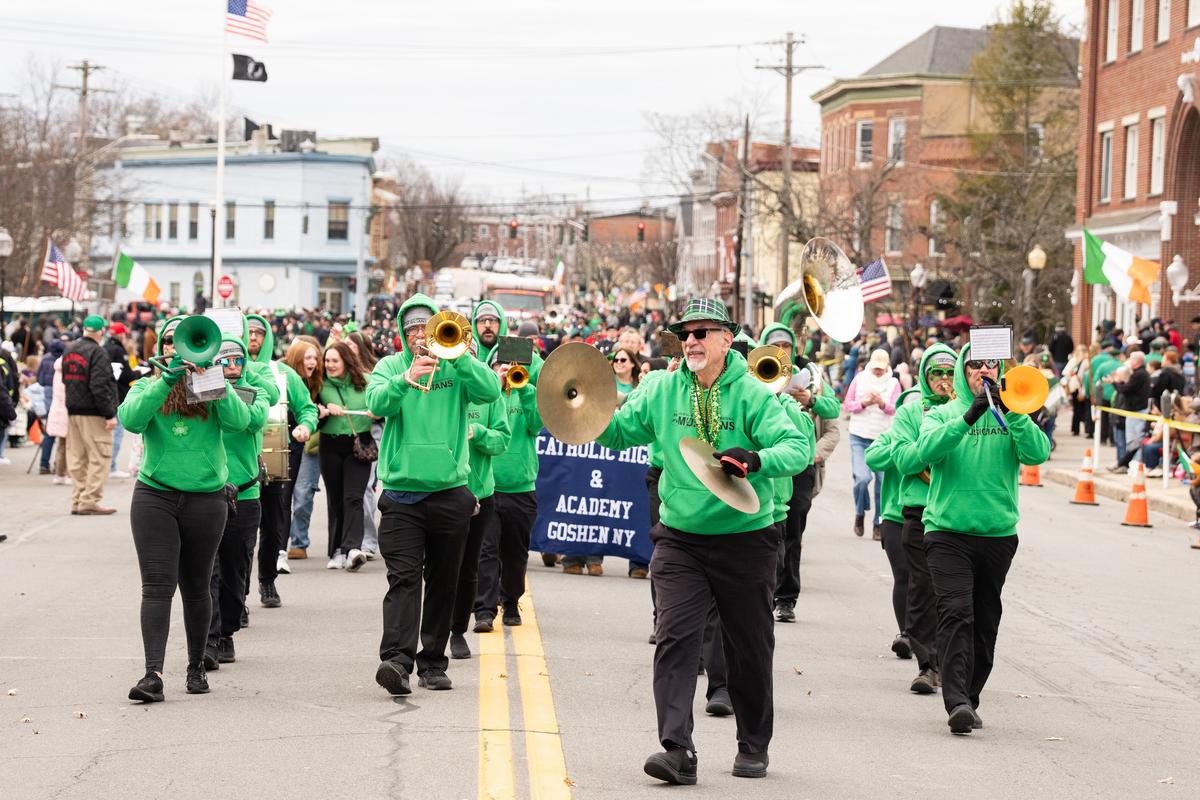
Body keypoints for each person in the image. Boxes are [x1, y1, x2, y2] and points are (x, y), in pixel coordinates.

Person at [595, 299, 810, 783]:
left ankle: (753, 743)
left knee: (749, 647)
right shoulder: (662, 388)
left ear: (726, 339)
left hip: (746, 539)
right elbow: (618, 432)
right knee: (674, 638)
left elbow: (798, 448)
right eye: (684, 334)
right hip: (680, 538)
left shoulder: (755, 394)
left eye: (701, 332)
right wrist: (580, 404)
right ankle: (677, 750)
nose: (689, 341)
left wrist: (755, 459)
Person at [366, 294, 501, 695]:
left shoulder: (457, 365)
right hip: (403, 494)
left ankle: (433, 663)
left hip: (449, 491)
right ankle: (396, 661)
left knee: (444, 581)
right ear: (403, 334)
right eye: (412, 330)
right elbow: (374, 403)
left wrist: (461, 358)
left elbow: (492, 391)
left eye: (427, 329)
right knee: (403, 580)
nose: (420, 337)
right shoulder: (391, 365)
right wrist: (404, 379)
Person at [915, 345, 1050, 734]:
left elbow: (1038, 454)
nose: (983, 371)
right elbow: (925, 451)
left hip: (997, 533)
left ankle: (970, 698)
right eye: (975, 365)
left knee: (985, 621)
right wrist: (966, 417)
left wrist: (1014, 414)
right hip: (947, 531)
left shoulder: (1013, 413)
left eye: (991, 364)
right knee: (956, 611)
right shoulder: (941, 412)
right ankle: (955, 700)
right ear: (964, 371)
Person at [119, 321, 253, 703]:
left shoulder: (212, 385)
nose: (179, 352)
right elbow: (130, 419)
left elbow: (240, 421)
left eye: (186, 345)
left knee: (196, 586)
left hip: (206, 499)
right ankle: (153, 674)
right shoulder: (149, 385)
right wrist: (166, 380)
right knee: (157, 587)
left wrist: (213, 379)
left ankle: (196, 667)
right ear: (162, 348)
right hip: (155, 496)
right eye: (168, 343)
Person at [870, 343, 957, 694]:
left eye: (950, 372)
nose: (944, 379)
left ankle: (951, 664)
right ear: (925, 375)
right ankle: (928, 663)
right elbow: (899, 459)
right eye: (936, 372)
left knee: (951, 596)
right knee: (919, 589)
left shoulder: (966, 409)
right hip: (916, 510)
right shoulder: (911, 411)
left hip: (954, 511)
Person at [761, 321, 840, 623]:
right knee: (767, 530)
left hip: (799, 465)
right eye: (776, 346)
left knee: (793, 532)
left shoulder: (814, 376)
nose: (781, 352)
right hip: (767, 461)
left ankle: (786, 598)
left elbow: (833, 410)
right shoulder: (755, 370)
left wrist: (811, 400)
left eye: (786, 347)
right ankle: (764, 590)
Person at [205, 336, 269, 669]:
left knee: (235, 570)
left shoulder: (255, 392)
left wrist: (222, 387)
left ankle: (228, 631)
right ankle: (211, 638)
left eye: (237, 361)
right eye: (224, 362)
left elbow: (248, 421)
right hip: (210, 492)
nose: (231, 368)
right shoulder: (203, 390)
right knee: (208, 571)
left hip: (245, 493)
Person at [246, 315, 316, 606]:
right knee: (239, 533)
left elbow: (307, 409)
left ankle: (267, 581)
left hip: (277, 461)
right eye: (247, 332)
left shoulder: (283, 373)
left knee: (274, 524)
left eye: (259, 333)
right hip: (240, 463)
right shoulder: (229, 369)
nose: (253, 337)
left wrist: (305, 427)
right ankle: (237, 597)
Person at [480, 316, 545, 616]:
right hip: (488, 487)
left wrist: (525, 388)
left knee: (515, 555)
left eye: (510, 364)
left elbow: (535, 426)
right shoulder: (485, 397)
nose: (506, 369)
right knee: (487, 551)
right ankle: (484, 609)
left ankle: (510, 601)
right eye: (500, 364)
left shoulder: (525, 391)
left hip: (521, 487)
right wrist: (498, 385)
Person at [450, 350, 511, 656]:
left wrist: (478, 433)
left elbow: (502, 439)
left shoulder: (490, 393)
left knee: (469, 566)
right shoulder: (443, 384)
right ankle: (437, 625)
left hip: (479, 491)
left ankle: (458, 629)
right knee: (441, 566)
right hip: (444, 489)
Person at [316, 341, 375, 571]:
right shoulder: (320, 384)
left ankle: (352, 548)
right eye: (327, 361)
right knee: (336, 499)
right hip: (330, 444)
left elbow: (382, 404)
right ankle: (336, 550)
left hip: (359, 443)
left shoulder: (366, 381)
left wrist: (377, 411)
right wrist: (323, 406)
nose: (329, 365)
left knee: (354, 497)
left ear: (346, 361)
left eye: (334, 361)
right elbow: (310, 407)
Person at [62, 315, 119, 515]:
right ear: (101, 331)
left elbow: (65, 381)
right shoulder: (98, 352)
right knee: (99, 456)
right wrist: (109, 414)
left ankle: (78, 498)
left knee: (77, 457)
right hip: (94, 413)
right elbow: (99, 386)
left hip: (73, 411)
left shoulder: (69, 350)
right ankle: (89, 500)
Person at [844, 348, 901, 538]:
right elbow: (848, 404)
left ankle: (878, 523)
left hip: (883, 438)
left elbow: (897, 409)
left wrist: (882, 403)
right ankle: (859, 513)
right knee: (862, 478)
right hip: (859, 435)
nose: (877, 371)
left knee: (883, 483)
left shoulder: (894, 383)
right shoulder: (859, 378)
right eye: (875, 368)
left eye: (881, 369)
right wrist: (864, 403)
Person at [1109, 351, 1151, 472]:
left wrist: (1114, 383)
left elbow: (1126, 390)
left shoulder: (1139, 375)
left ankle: (1135, 465)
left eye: (1132, 359)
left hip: (1137, 411)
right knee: (1133, 440)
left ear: (1137, 361)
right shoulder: (1142, 374)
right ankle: (1127, 463)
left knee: (1134, 440)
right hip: (1136, 411)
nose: (1129, 362)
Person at [105, 322, 137, 478]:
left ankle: (107, 465)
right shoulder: (118, 349)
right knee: (117, 432)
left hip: (107, 394)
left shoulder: (105, 347)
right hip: (117, 394)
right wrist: (137, 374)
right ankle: (111, 466)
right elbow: (125, 375)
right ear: (121, 334)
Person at [1063, 344, 1094, 437]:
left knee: (1076, 409)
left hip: (1074, 387)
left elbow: (1066, 373)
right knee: (1083, 408)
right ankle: (1086, 428)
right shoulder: (1086, 361)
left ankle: (1075, 429)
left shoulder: (1073, 360)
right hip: (1081, 387)